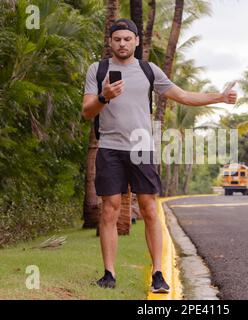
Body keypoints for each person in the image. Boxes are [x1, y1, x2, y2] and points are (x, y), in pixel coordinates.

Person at [82, 18, 237, 293]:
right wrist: (104, 96)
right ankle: (109, 273)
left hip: (142, 147)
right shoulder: (98, 69)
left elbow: (184, 96)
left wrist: (220, 97)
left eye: (127, 39)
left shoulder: (148, 70)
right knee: (110, 209)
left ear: (136, 41)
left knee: (150, 208)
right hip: (110, 148)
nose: (122, 43)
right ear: (110, 42)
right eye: (117, 39)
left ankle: (158, 273)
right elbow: (86, 112)